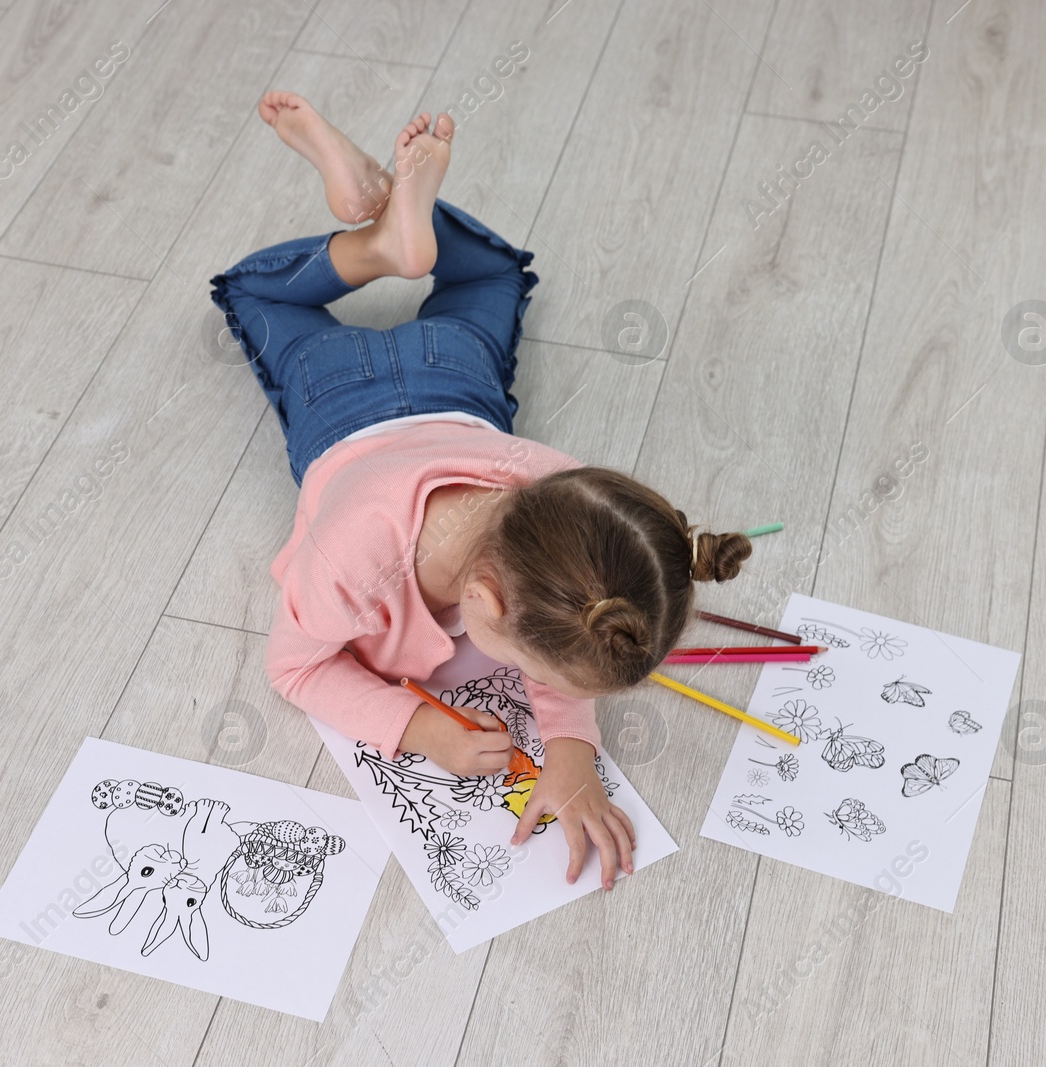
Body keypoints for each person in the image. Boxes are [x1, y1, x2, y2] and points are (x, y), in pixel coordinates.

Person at [209, 94, 751, 890]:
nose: (549, 695)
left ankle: (384, 239)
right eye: (554, 682)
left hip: (450, 370)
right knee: (249, 296)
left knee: (495, 270)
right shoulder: (350, 568)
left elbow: (567, 603)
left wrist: (570, 750)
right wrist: (421, 726)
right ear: (486, 602)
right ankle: (384, 229)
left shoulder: (565, 492)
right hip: (339, 401)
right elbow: (293, 669)